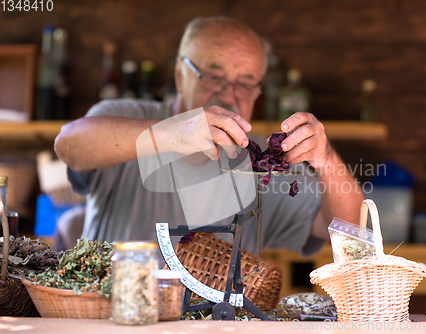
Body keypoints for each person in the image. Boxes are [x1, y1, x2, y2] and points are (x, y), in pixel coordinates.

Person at [55, 16, 364, 257]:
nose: (229, 94)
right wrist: (175, 132)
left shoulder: (262, 161)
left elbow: (350, 233)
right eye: (214, 77)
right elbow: (68, 145)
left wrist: (327, 160)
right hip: (112, 313)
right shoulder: (121, 114)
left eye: (246, 83)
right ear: (179, 74)